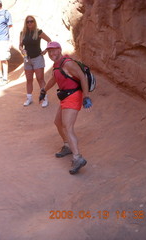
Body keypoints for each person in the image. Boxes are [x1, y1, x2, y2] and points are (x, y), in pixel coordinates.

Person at [39, 41, 93, 174]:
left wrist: (86, 96)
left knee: (67, 127)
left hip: (73, 96)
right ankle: (67, 145)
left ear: (60, 49)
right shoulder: (57, 65)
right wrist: (43, 90)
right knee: (58, 123)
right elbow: (53, 79)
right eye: (50, 51)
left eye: (54, 50)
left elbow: (82, 77)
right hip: (64, 97)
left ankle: (77, 158)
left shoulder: (68, 63)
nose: (52, 53)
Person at [19, 15, 52, 107]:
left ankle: (44, 98)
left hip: (37, 58)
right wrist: (22, 50)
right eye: (28, 22)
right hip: (27, 59)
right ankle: (29, 98)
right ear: (25, 23)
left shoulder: (38, 32)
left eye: (31, 21)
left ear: (34, 22)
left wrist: (46, 50)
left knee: (40, 79)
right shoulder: (23, 33)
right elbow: (20, 45)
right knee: (29, 79)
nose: (29, 23)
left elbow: (49, 40)